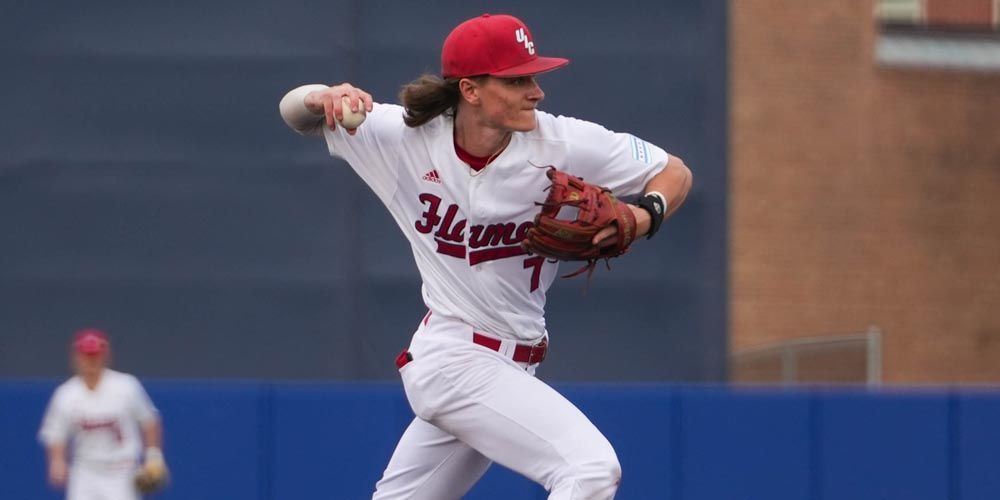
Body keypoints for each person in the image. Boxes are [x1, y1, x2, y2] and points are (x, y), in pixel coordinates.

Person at [279, 13, 692, 500]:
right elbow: (294, 113)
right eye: (517, 80)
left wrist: (646, 213)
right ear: (471, 90)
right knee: (590, 470)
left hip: (511, 365)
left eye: (534, 76)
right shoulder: (402, 138)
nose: (535, 91)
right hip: (453, 358)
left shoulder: (562, 142)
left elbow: (674, 171)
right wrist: (319, 96)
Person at [38, 328, 168, 500]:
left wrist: (153, 456)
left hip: (122, 470)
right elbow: (55, 433)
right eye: (86, 355)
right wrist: (57, 461)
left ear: (105, 356)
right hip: (85, 471)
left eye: (95, 355)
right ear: (76, 357)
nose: (91, 360)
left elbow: (149, 421)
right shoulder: (66, 394)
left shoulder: (126, 386)